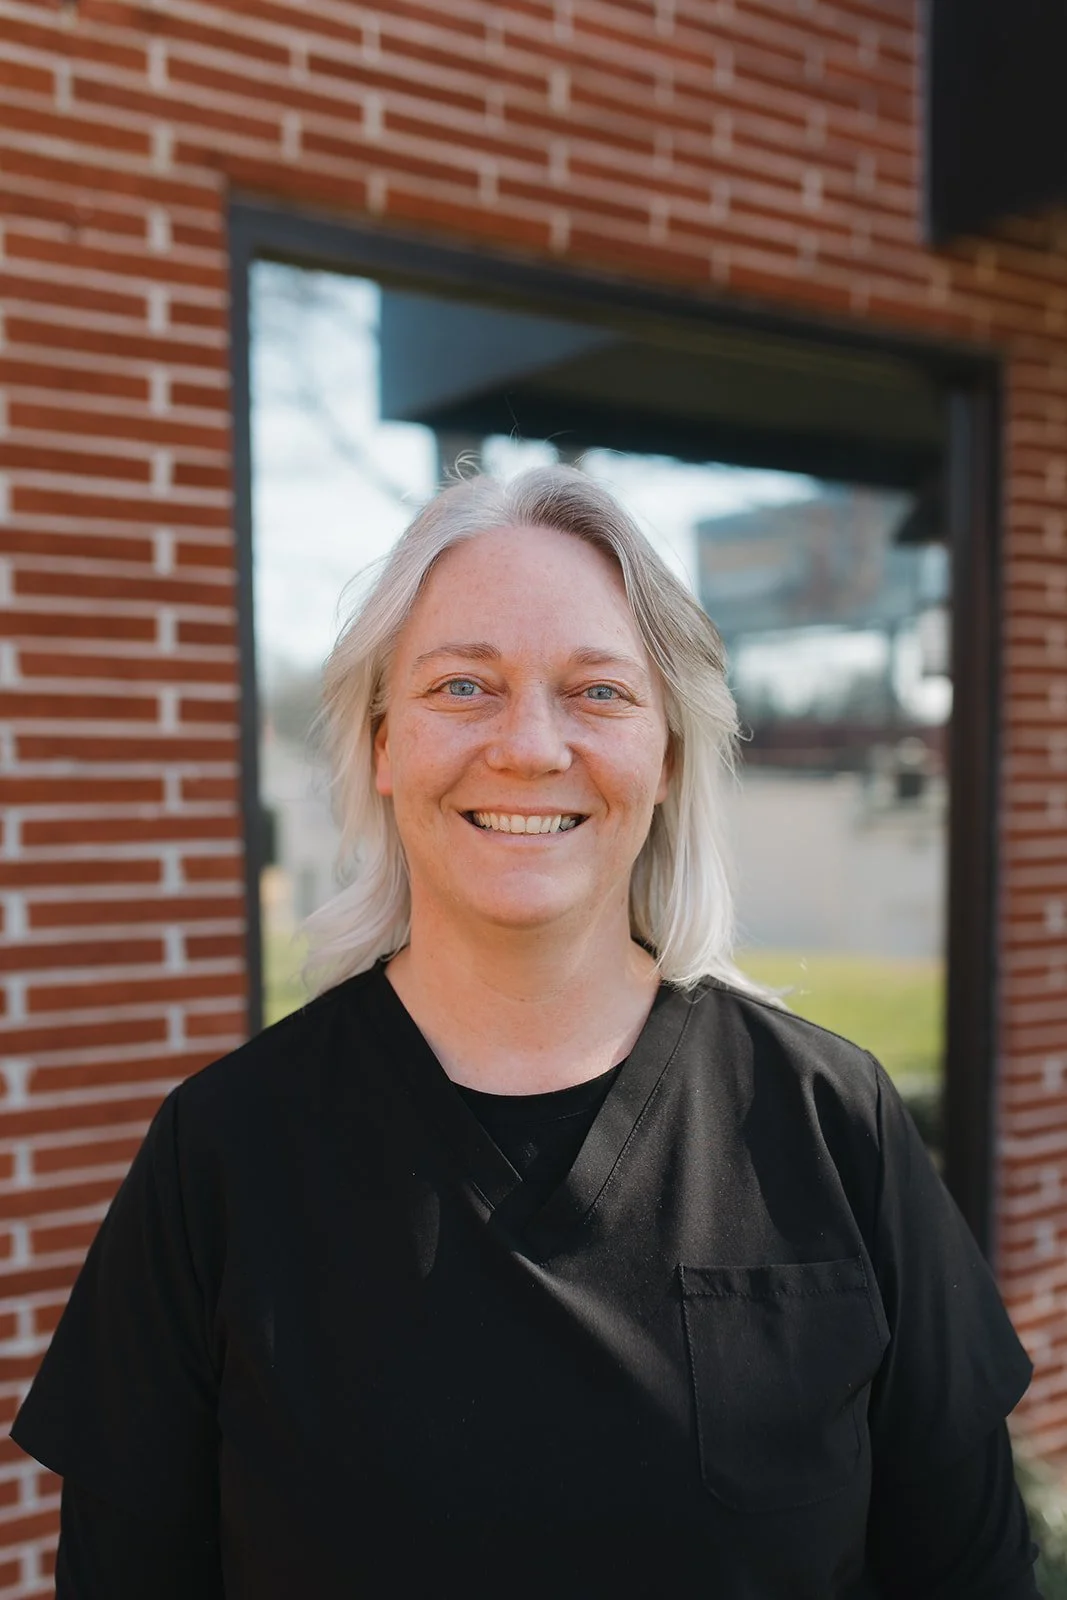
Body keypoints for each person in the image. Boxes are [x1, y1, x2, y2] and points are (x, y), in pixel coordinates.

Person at [12, 465, 1040, 1597]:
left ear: (667, 755)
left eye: (597, 691)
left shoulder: (832, 1124)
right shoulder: (220, 1154)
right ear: (383, 744)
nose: (530, 746)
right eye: (463, 685)